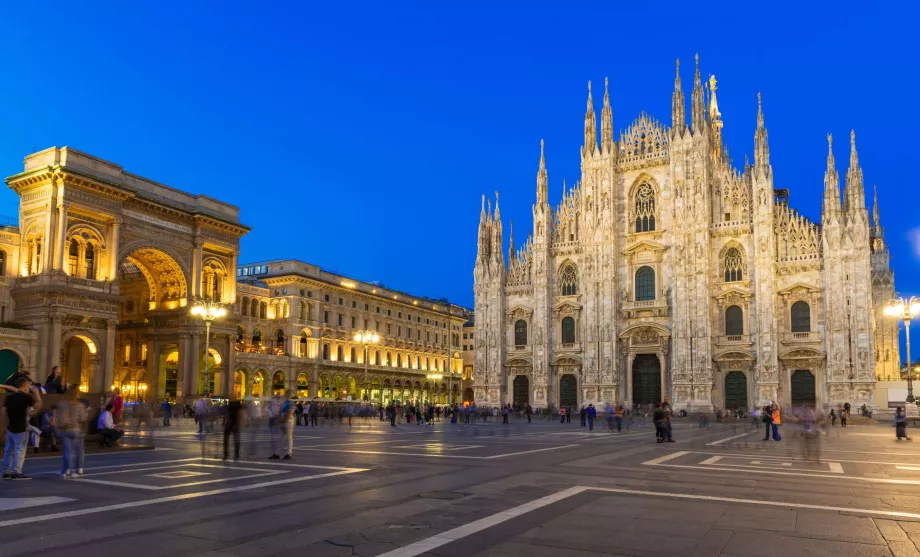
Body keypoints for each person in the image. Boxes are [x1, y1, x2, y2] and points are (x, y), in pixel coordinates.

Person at [1, 378, 42, 480]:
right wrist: (37, 394)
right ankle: (17, 472)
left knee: (8, 450)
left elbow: (3, 412)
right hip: (21, 428)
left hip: (10, 427)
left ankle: (6, 471)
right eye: (27, 385)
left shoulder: (9, 397)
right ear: (24, 385)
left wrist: (3, 427)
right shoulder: (26, 397)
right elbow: (37, 407)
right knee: (20, 450)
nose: (29, 386)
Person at [56, 390, 87, 477]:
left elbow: (58, 415)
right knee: (79, 450)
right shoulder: (80, 405)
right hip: (76, 429)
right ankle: (79, 469)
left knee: (67, 451)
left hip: (65, 429)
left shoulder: (62, 404)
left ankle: (66, 470)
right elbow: (83, 418)